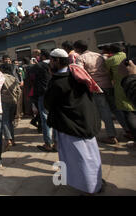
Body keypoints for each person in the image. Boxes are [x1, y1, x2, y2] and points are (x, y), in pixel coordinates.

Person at [44, 48, 104, 194]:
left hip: (71, 126)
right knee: (91, 155)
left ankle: (89, 186)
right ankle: (95, 181)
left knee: (78, 158)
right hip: (85, 121)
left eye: (51, 60)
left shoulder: (58, 82)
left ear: (57, 61)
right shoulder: (76, 74)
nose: (50, 63)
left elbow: (48, 103)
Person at [74, 41, 128, 144]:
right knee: (116, 109)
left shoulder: (81, 58)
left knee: (104, 112)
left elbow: (80, 74)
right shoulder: (98, 55)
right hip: (108, 84)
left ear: (77, 49)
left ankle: (112, 136)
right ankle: (128, 130)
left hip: (96, 87)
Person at [105, 44, 135, 143]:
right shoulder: (129, 56)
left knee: (128, 112)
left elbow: (108, 74)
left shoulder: (110, 60)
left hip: (120, 86)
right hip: (133, 81)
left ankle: (132, 134)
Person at [27, 49, 55, 152]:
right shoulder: (54, 64)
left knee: (45, 118)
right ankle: (56, 143)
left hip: (43, 93)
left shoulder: (39, 66)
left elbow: (29, 72)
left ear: (42, 56)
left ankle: (48, 143)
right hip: (54, 92)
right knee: (55, 117)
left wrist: (31, 64)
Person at [0, 64, 22, 151]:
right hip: (14, 101)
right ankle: (13, 139)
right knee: (11, 121)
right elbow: (19, 91)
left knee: (5, 121)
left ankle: (8, 139)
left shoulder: (1, 78)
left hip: (4, 101)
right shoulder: (13, 78)